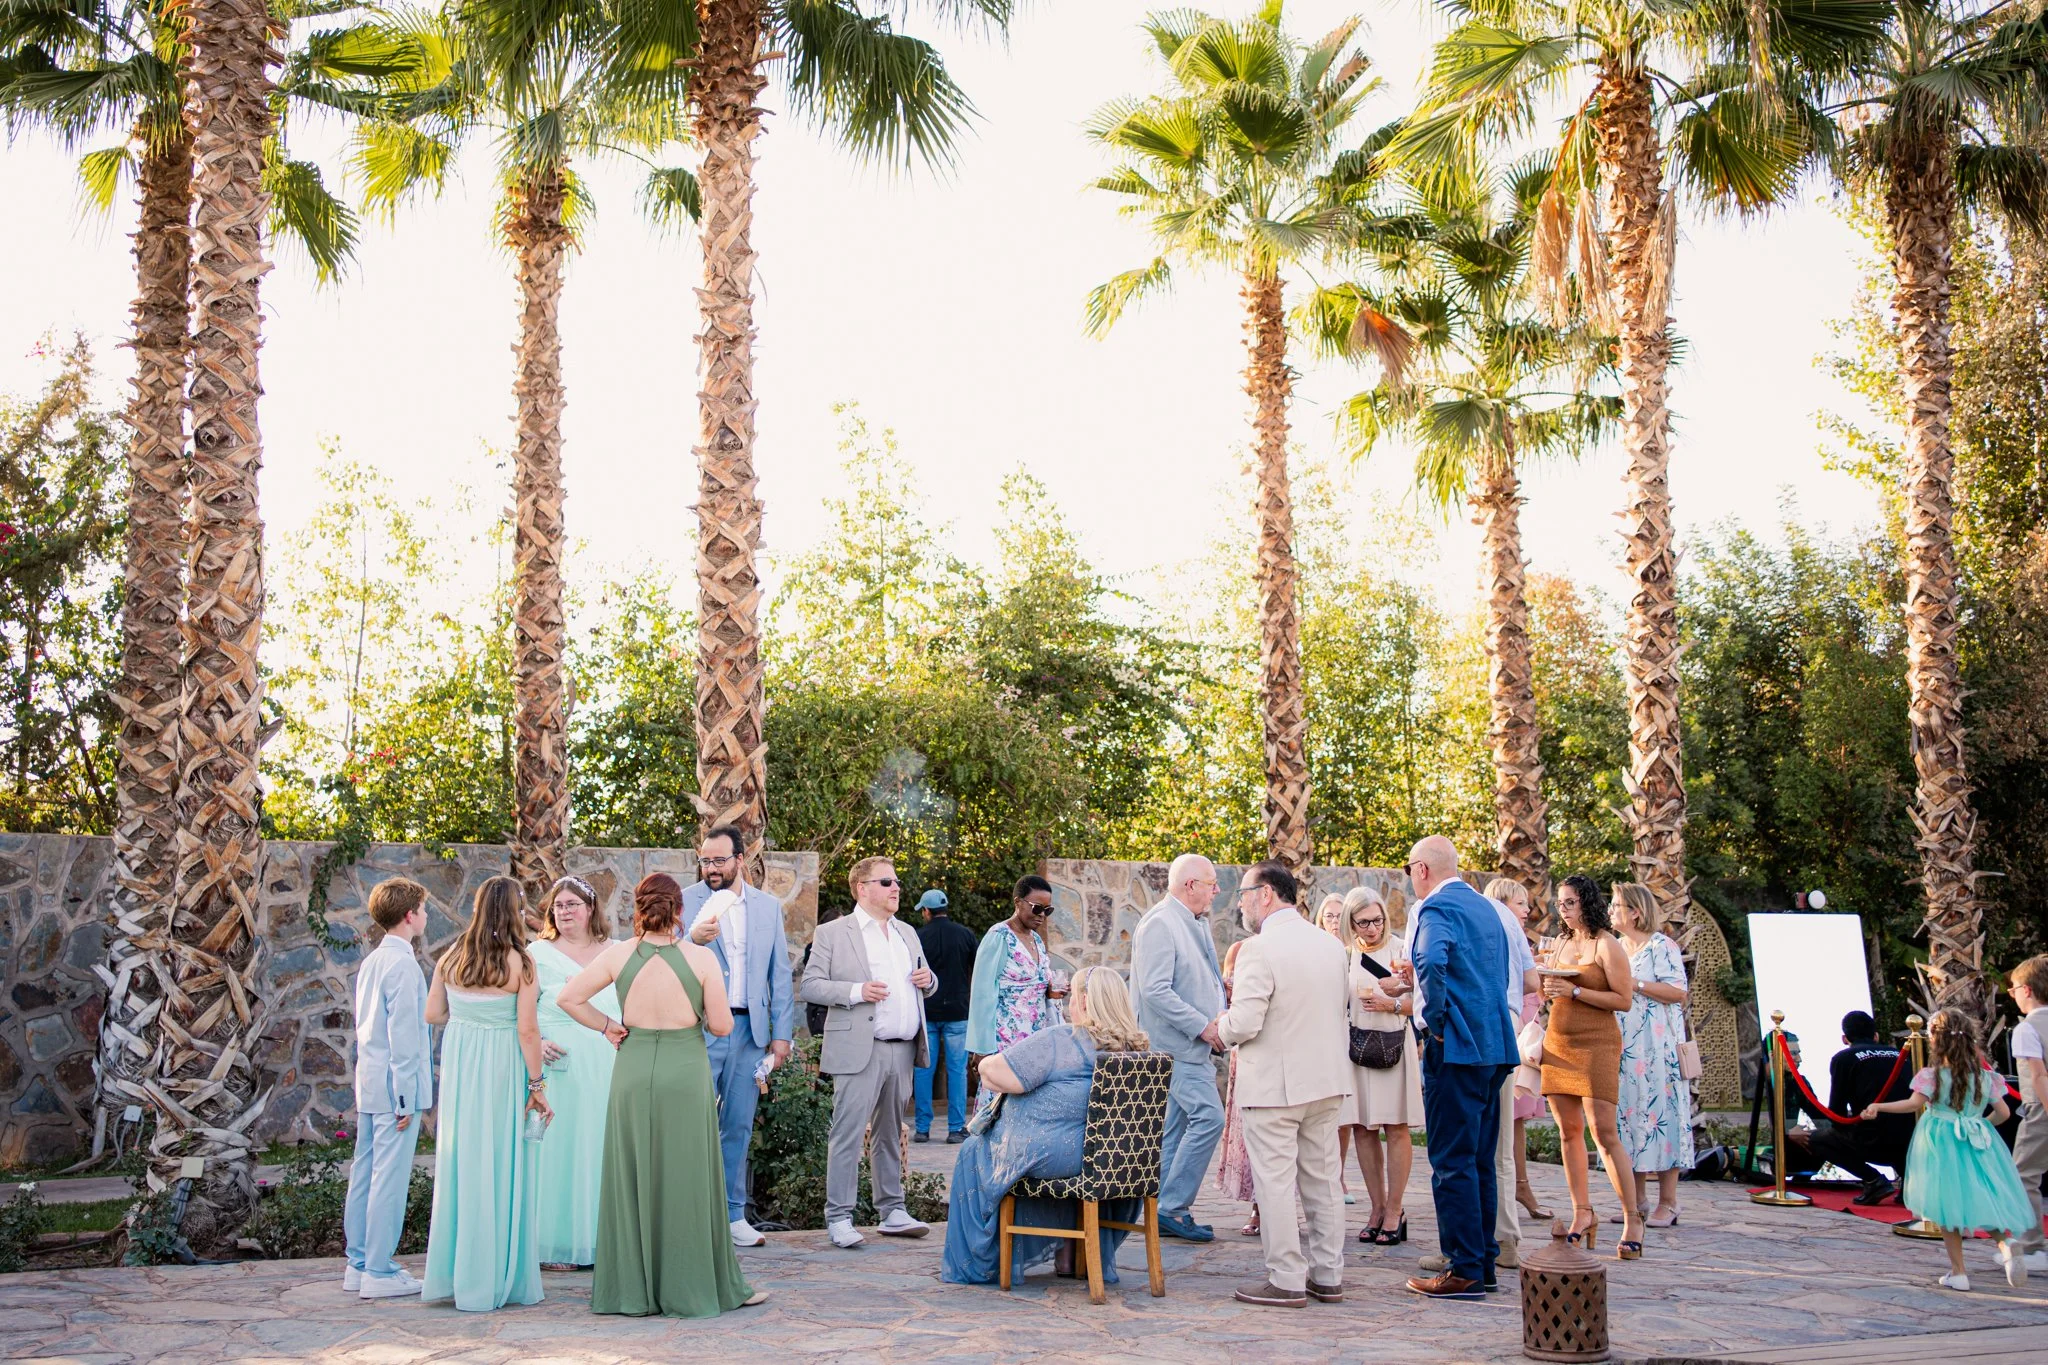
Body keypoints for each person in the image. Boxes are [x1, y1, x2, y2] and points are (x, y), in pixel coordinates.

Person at [559, 872, 764, 1317]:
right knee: (687, 1177)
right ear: (679, 911)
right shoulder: (701, 958)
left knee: (632, 1175)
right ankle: (689, 1288)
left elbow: (569, 998)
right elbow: (724, 1026)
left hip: (632, 1069)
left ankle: (630, 1291)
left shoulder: (618, 955)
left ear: (639, 909)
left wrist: (608, 1026)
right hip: (685, 1070)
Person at [941, 966, 1152, 1286]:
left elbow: (998, 1075)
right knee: (1038, 1147)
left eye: (1072, 997)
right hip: (1117, 1160)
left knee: (975, 1149)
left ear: (1083, 1000)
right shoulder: (1137, 1050)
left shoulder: (1063, 1040)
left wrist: (982, 1062)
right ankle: (1070, 1251)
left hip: (1061, 1155)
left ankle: (980, 1263)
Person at [1212, 860, 1353, 1309]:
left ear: (1266, 894)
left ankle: (1287, 1278)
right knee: (1324, 1180)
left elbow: (1248, 1020)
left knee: (1274, 1183)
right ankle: (1328, 1275)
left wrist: (1222, 1027)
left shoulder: (1259, 948)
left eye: (1244, 894)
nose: (1240, 903)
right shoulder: (1330, 947)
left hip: (1275, 1086)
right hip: (1327, 1081)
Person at [421, 876, 551, 1312]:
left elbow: (433, 1013)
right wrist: (537, 1085)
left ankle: (457, 1276)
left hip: (462, 1068)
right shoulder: (521, 963)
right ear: (515, 912)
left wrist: (467, 1016)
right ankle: (497, 1276)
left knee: (464, 1162)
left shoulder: (450, 958)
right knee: (501, 1162)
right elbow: (528, 1029)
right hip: (502, 1068)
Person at [1402, 837, 1521, 1300]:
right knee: (1479, 1159)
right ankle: (1483, 1262)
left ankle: (1465, 1268)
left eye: (1411, 869)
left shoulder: (1436, 910)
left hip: (1456, 1047)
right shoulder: (1490, 910)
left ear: (1422, 869)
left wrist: (1433, 1021)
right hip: (1494, 1046)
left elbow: (1432, 960)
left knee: (1451, 1160)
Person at [799, 855, 938, 1249]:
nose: (896, 888)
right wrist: (856, 992)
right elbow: (810, 986)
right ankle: (839, 1217)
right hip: (860, 1047)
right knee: (846, 1133)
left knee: (890, 1133)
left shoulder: (908, 932)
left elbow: (928, 983)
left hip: (903, 1048)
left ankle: (892, 1211)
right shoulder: (832, 933)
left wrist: (929, 981)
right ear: (862, 888)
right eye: (886, 882)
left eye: (896, 881)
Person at [1862, 1007, 2037, 1292]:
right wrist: (1977, 1126)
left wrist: (1878, 1106)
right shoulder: (1983, 1076)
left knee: (1946, 1205)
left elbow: (1913, 1104)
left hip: (1940, 1142)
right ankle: (2006, 1244)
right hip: (1974, 1141)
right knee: (1979, 1195)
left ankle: (1959, 1272)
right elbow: (2004, 1112)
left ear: (1936, 1040)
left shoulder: (1932, 1075)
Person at [683, 825, 795, 1249]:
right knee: (693, 1121)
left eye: (718, 860)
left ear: (739, 860)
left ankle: (733, 1214)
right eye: (705, 860)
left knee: (738, 1125)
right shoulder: (685, 901)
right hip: (699, 1029)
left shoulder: (767, 908)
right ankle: (692, 1214)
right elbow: (663, 956)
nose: (710, 868)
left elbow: (779, 975)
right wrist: (690, 938)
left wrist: (781, 1037)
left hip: (750, 1031)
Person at [1539, 874, 1643, 1262]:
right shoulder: (1561, 943)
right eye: (1559, 904)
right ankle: (1582, 1211)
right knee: (1569, 1133)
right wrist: (1546, 986)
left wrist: (1576, 991)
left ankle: (1633, 1219)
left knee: (1604, 1133)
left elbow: (1624, 999)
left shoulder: (1607, 944)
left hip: (1597, 1043)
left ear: (1586, 902)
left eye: (1569, 903)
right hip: (1559, 1042)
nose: (1563, 911)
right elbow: (1549, 989)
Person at [343, 877, 435, 1300]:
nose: (427, 916)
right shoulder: (403, 965)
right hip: (395, 1088)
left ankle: (359, 1263)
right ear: (409, 915)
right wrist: (405, 1097)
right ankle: (378, 1269)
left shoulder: (373, 962)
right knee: (388, 1178)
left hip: (370, 1084)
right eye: (423, 909)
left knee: (364, 1172)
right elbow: (403, 1037)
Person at [529, 875, 626, 1269]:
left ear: (590, 909)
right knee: (563, 1149)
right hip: (559, 1062)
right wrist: (536, 1041)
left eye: (572, 904)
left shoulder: (616, 951)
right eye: (558, 905)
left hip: (609, 1060)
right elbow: (521, 1007)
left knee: (603, 1144)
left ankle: (607, 1239)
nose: (564, 911)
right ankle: (559, 1244)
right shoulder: (536, 953)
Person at [1131, 853, 1227, 1243]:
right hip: (1176, 1048)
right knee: (1210, 1118)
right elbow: (1155, 990)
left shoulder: (1190, 921)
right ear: (1190, 885)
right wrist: (1203, 1027)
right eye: (1211, 883)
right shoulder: (1160, 923)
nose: (1216, 891)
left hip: (1190, 1047)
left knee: (1175, 1128)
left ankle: (1158, 1209)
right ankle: (1172, 1206)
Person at [1339, 884, 1421, 1247]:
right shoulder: (1343, 956)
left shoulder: (1402, 952)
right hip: (1356, 1047)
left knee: (1396, 1127)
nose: (1372, 928)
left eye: (1378, 920)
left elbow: (1428, 1000)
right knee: (1362, 1128)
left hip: (1394, 1044)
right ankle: (1376, 1207)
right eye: (1363, 923)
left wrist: (1396, 1002)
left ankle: (1395, 1209)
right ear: (1350, 923)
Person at [1611, 882, 1694, 1228]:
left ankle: (1669, 1202)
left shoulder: (1662, 946)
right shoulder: (1616, 947)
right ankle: (1638, 1199)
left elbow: (1678, 992)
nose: (1611, 911)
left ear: (1636, 911)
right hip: (1626, 1049)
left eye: (1617, 905)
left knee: (1663, 1116)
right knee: (1631, 1117)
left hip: (1659, 1050)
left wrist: (1636, 984)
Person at [1782, 1011, 1913, 1203]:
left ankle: (1873, 1179)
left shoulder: (1844, 1058)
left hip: (1874, 1140)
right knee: (1895, 1126)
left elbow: (1837, 1113)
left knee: (1819, 1139)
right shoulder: (1901, 1056)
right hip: (1911, 1140)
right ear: (1875, 1036)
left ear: (1845, 1038)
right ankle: (1908, 1183)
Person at [1489, 877, 1553, 1223]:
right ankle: (1516, 1188)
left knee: (1517, 1116)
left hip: (1526, 1033)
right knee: (1509, 1115)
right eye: (1519, 904)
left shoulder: (1521, 940)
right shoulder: (1503, 937)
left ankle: (1519, 1185)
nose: (1527, 910)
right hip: (1512, 1031)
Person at [968, 876, 1062, 1062]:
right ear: (1018, 902)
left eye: (1047, 910)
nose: (1041, 915)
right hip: (1006, 1040)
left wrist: (1050, 991)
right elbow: (981, 994)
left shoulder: (1036, 940)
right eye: (1037, 908)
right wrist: (982, 1049)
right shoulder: (999, 937)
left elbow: (1040, 983)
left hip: (1038, 1038)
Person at [913, 888, 979, 1145]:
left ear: (927, 911)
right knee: (957, 1071)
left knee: (923, 1070)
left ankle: (922, 1129)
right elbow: (976, 968)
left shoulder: (917, 938)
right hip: (958, 1011)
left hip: (927, 1011)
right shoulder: (965, 934)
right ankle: (955, 1129)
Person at [2007, 955, 2048, 1276]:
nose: (2013, 994)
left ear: (2029, 990)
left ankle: (2032, 1244)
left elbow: (2038, 1075)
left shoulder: (2026, 1028)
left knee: (2024, 1176)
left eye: (2014, 989)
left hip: (2041, 1109)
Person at [1215, 937, 1259, 1236]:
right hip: (1244, 1051)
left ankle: (1280, 1208)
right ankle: (1258, 1206)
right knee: (1249, 1134)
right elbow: (1225, 1000)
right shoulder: (1239, 949)